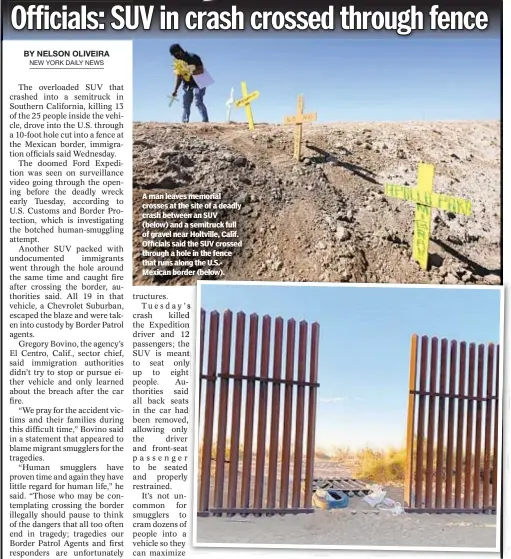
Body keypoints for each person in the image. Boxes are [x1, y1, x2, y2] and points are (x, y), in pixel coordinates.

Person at [169, 44, 209, 124]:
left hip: (199, 82)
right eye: (174, 55)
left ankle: (205, 121)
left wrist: (189, 71)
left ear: (180, 51)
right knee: (186, 103)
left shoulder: (193, 57)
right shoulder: (178, 63)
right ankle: (185, 122)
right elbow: (179, 76)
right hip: (187, 85)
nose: (176, 57)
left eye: (176, 54)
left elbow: (201, 70)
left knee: (198, 101)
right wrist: (175, 90)